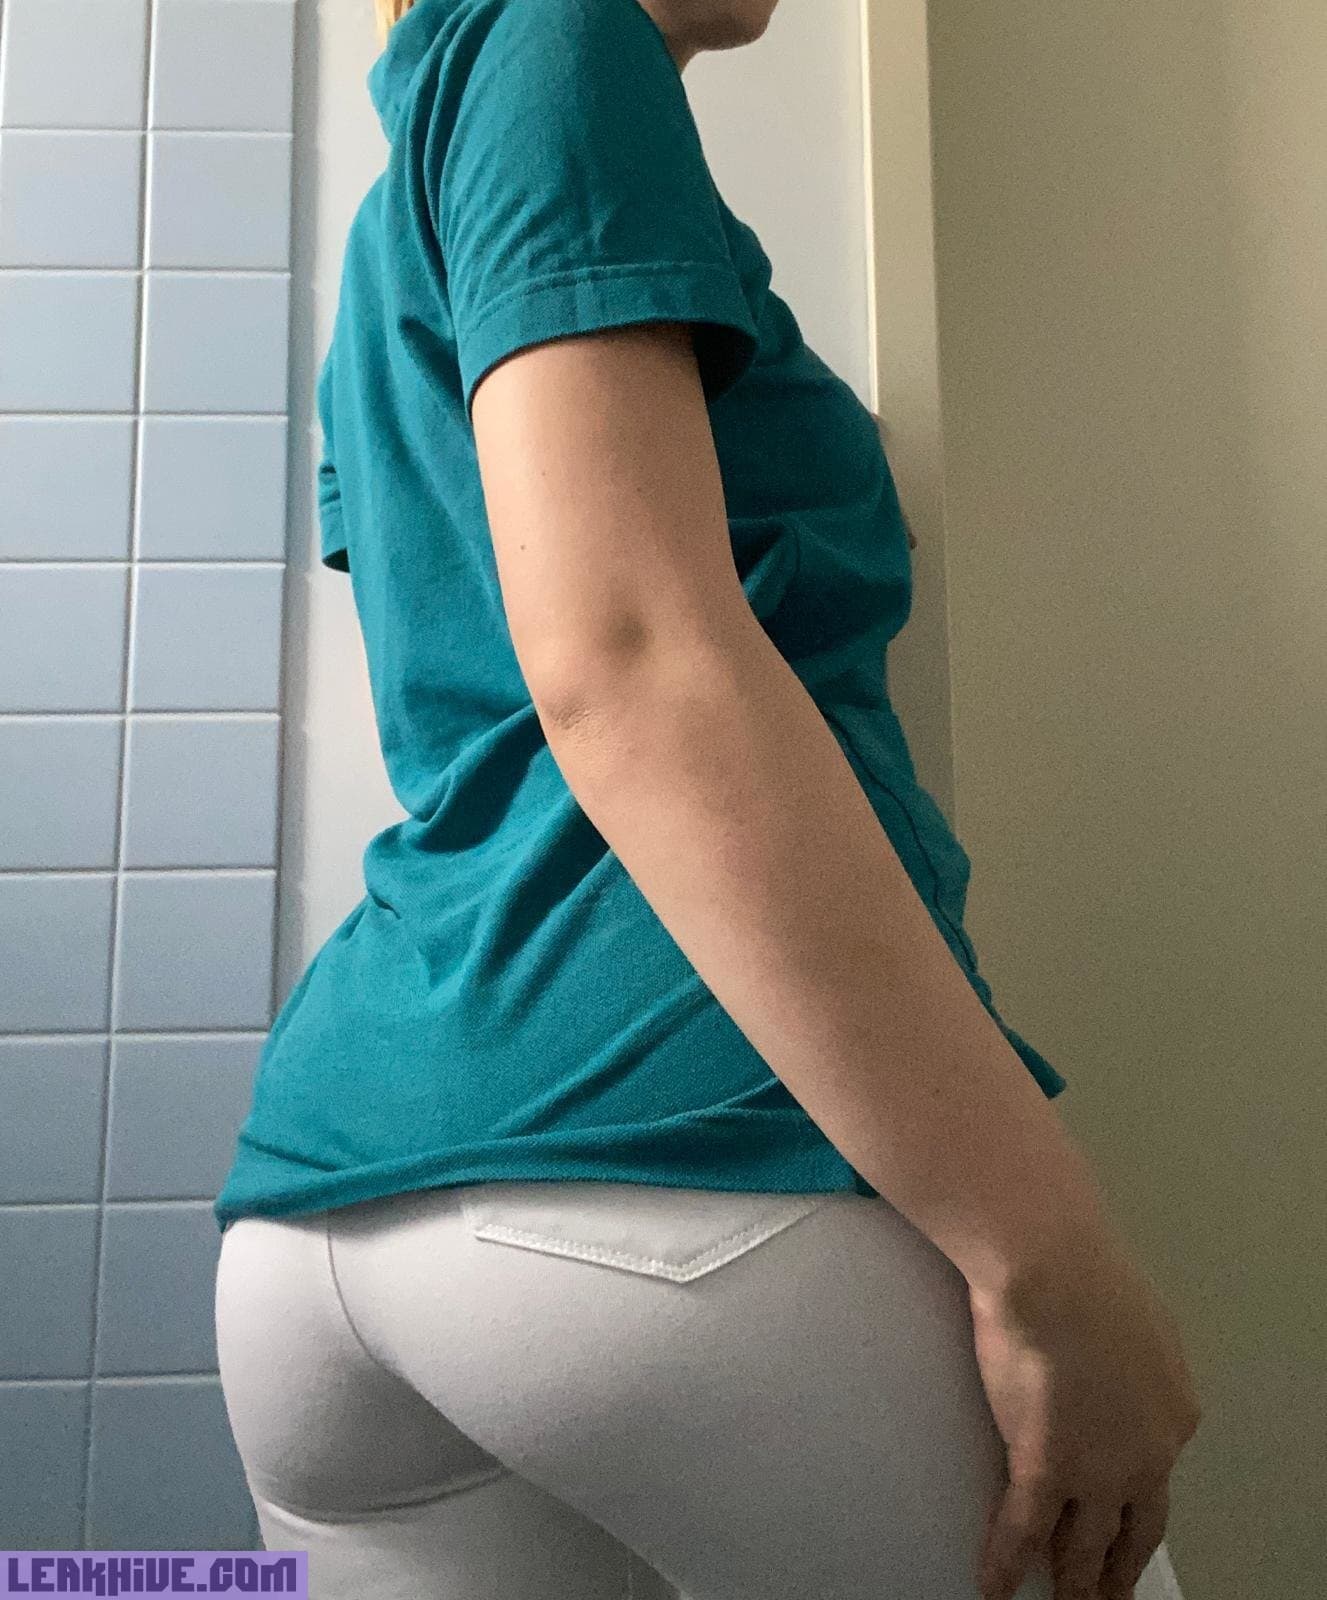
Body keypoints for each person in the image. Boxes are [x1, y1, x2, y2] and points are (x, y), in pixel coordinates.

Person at [213, 0, 1202, 1595]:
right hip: (656, 1148)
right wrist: (1046, 1257)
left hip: (338, 1207)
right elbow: (627, 666)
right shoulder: (553, 33)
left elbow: (505, 683)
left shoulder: (410, 194)